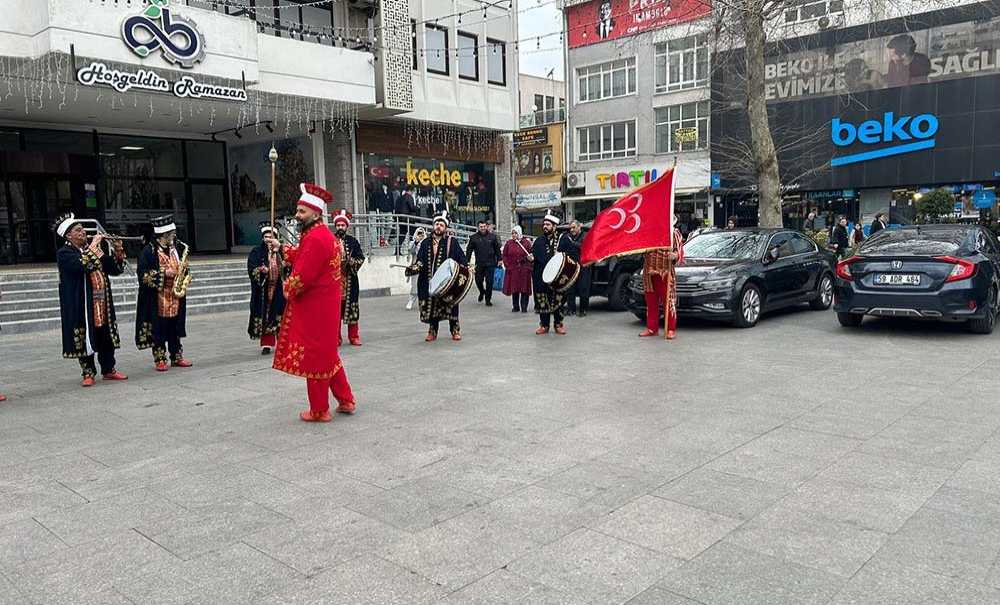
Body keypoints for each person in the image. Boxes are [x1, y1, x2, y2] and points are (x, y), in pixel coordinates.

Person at [273, 183, 356, 422]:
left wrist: (287, 288)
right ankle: (346, 400)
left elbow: (303, 276)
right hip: (326, 307)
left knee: (316, 358)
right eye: (298, 211)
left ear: (316, 213)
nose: (297, 216)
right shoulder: (320, 234)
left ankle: (319, 410)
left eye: (302, 212)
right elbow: (304, 256)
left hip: (316, 308)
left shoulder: (316, 238)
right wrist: (282, 248)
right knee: (329, 354)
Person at [53, 213, 129, 386]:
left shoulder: (92, 249)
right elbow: (84, 264)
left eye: (82, 229)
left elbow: (115, 269)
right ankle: (88, 373)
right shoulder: (64, 253)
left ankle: (109, 369)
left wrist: (117, 250)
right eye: (78, 230)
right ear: (68, 235)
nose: (83, 232)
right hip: (81, 303)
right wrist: (94, 245)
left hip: (101, 302)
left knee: (105, 335)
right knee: (86, 335)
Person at [135, 215, 193, 372]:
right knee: (158, 328)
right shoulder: (149, 251)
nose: (175, 236)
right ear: (163, 235)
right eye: (172, 234)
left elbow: (184, 267)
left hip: (175, 295)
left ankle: (177, 356)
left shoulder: (178, 249)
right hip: (157, 296)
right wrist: (164, 273)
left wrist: (185, 275)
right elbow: (142, 274)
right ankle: (160, 358)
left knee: (175, 327)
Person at [406, 211, 468, 342]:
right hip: (429, 281)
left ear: (445, 227)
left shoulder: (452, 242)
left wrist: (465, 269)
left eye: (441, 224)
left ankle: (455, 330)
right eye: (437, 224)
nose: (438, 226)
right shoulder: (425, 243)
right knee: (432, 305)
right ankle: (432, 331)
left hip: (447, 282)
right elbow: (421, 261)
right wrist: (414, 268)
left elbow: (461, 260)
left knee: (451, 306)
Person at [639, 221, 685, 340]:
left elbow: (680, 250)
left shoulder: (674, 232)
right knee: (650, 301)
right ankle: (651, 328)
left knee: (668, 301)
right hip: (649, 272)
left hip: (665, 272)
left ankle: (670, 329)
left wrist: (675, 256)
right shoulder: (649, 232)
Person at [247, 222, 286, 355]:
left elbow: (289, 268)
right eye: (266, 237)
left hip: (278, 289)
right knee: (265, 316)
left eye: (271, 237)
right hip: (263, 290)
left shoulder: (281, 251)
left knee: (280, 315)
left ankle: (282, 343)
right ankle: (267, 344)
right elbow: (252, 269)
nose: (268, 240)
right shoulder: (256, 252)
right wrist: (261, 270)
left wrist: (282, 260)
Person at [532, 213, 571, 335]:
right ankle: (544, 325)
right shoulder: (539, 241)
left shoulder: (563, 239)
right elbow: (537, 256)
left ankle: (558, 324)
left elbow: (569, 255)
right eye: (544, 224)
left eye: (548, 224)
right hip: (541, 278)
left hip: (557, 278)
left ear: (554, 226)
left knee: (557, 302)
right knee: (543, 301)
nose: (545, 226)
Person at [332, 210, 365, 346]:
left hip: (350, 280)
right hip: (334, 281)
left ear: (347, 227)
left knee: (352, 308)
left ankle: (354, 336)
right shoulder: (330, 240)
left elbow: (361, 258)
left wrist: (352, 262)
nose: (340, 228)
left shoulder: (353, 242)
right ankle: (336, 338)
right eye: (338, 225)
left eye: (343, 225)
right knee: (334, 312)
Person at [466, 220, 502, 306]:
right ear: (478, 227)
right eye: (481, 227)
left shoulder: (492, 237)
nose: (482, 228)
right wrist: (466, 261)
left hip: (490, 263)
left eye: (484, 226)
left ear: (486, 226)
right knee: (478, 280)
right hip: (479, 264)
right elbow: (469, 250)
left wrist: (500, 259)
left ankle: (488, 299)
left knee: (489, 282)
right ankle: (482, 292)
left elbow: (497, 249)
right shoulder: (473, 238)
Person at [560, 220, 590, 317]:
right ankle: (571, 309)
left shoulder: (585, 236)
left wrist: (572, 242)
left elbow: (584, 247)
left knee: (583, 289)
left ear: (579, 227)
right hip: (570, 266)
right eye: (570, 228)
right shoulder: (567, 237)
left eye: (573, 227)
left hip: (582, 266)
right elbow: (561, 249)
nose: (571, 230)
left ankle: (583, 310)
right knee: (570, 289)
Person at [502, 225, 533, 313]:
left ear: (519, 233)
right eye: (512, 233)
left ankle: (524, 307)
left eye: (515, 233)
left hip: (524, 269)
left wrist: (530, 259)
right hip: (513, 269)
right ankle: (515, 306)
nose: (514, 235)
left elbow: (531, 253)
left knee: (524, 289)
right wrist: (507, 264)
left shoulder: (526, 243)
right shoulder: (509, 243)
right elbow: (504, 255)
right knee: (514, 289)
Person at [406, 227, 426, 310]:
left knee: (425, 285)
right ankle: (411, 300)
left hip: (425, 267)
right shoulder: (413, 242)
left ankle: (424, 302)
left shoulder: (426, 243)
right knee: (414, 285)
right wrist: (416, 242)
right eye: (418, 233)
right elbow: (410, 250)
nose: (420, 235)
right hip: (415, 266)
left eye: (421, 233)